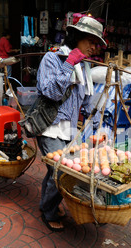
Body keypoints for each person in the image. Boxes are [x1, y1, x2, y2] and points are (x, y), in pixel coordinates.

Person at [35, 16, 107, 232]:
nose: (95, 47)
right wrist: (68, 64)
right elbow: (50, 92)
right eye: (92, 41)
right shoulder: (52, 58)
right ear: (77, 38)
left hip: (69, 131)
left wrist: (96, 129)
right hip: (49, 126)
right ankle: (48, 212)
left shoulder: (84, 66)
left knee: (54, 171)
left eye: (97, 44)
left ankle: (47, 204)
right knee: (61, 172)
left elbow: (85, 102)